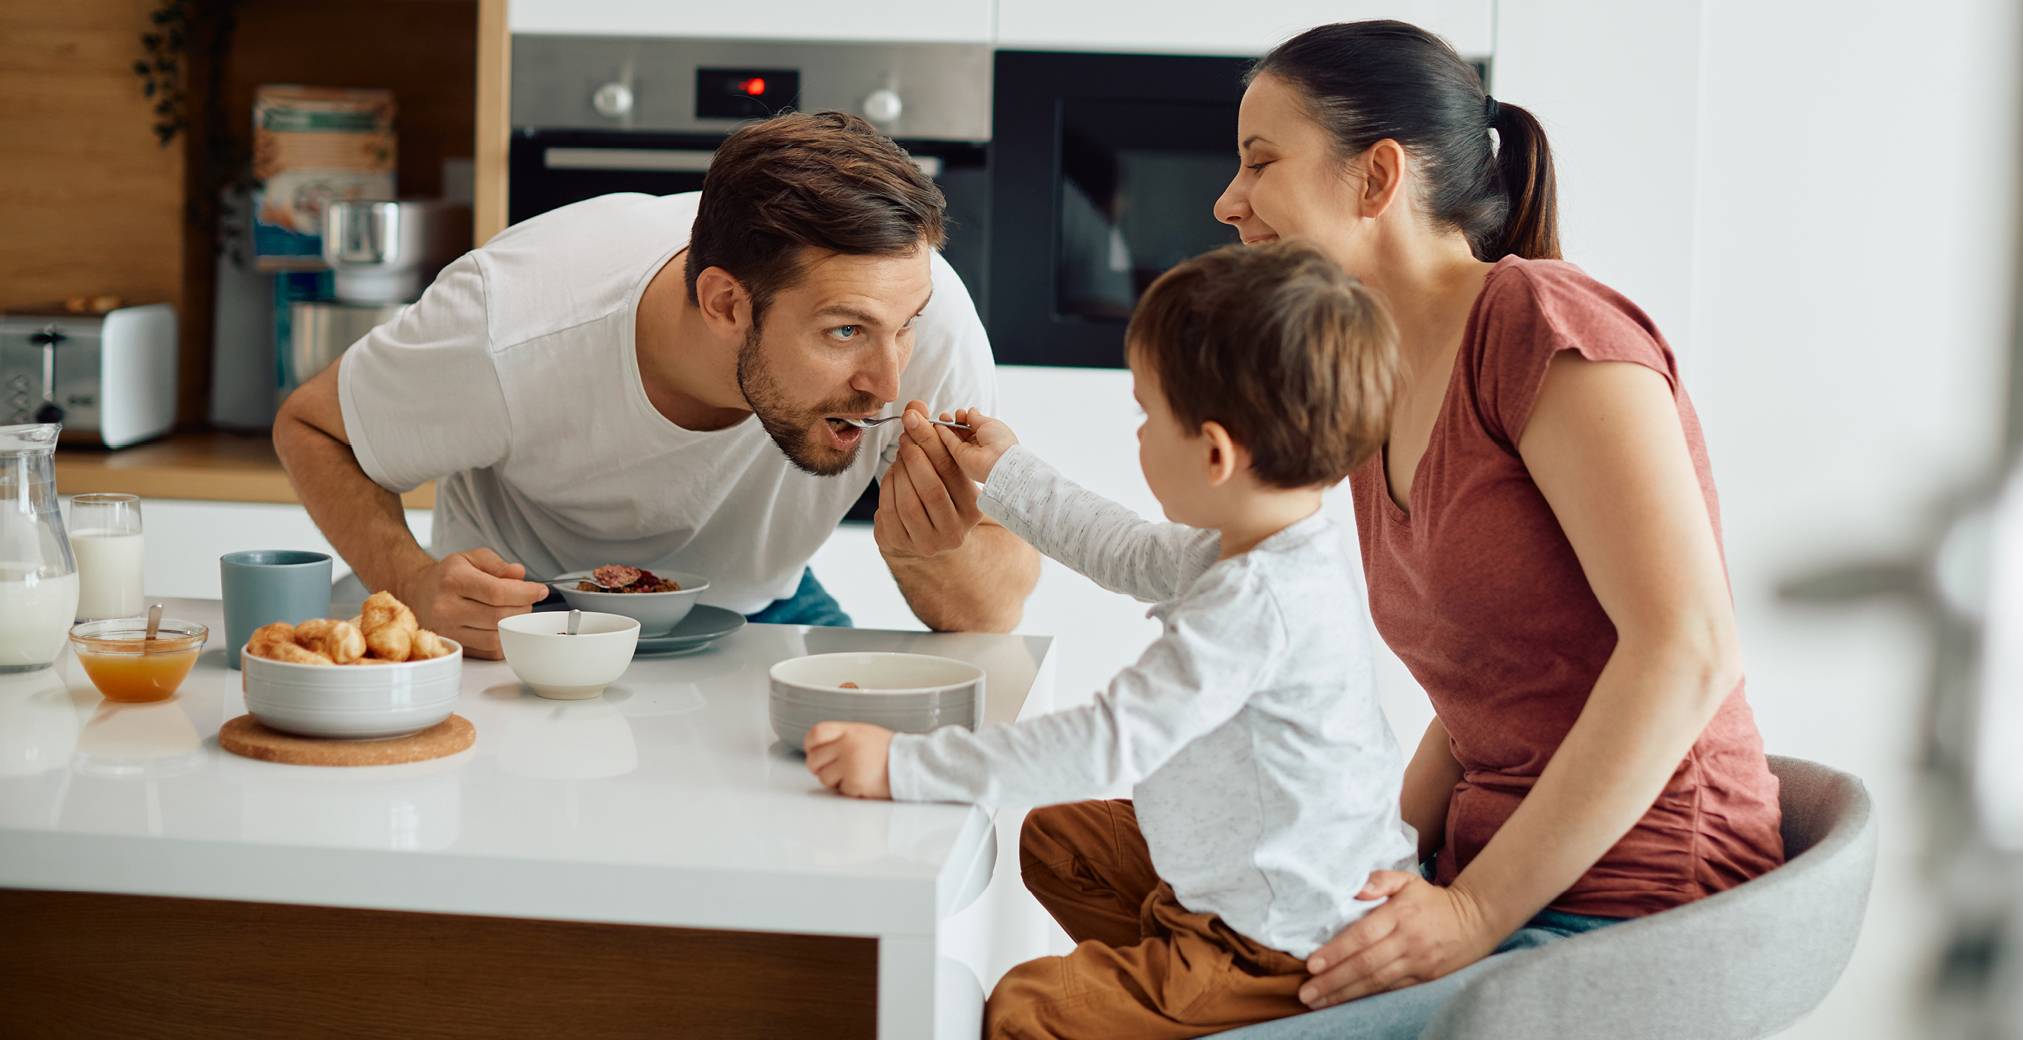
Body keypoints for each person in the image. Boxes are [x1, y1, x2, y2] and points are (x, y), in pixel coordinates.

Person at [1207, 20, 1784, 1021]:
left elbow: (1689, 649)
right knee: (1104, 858)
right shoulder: (1378, 378)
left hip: (1639, 905)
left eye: (1261, 162)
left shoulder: (1542, 325)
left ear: (1376, 177)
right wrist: (1368, 856)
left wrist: (1470, 914)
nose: (1228, 201)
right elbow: (1487, 691)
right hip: (1488, 881)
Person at [804, 241, 1413, 1038]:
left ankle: (1206, 999)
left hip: (1275, 943)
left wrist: (902, 767)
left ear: (1215, 453)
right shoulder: (1268, 542)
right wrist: (1007, 469)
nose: (1139, 433)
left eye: (1146, 415)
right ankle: (1158, 991)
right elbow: (1128, 551)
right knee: (1059, 843)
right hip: (1250, 876)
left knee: (1023, 1013)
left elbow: (1105, 742)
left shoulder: (1254, 604)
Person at [274, 112, 1038, 656]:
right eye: (844, 332)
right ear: (726, 304)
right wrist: (411, 580)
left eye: (904, 326)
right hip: (525, 619)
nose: (890, 381)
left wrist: (931, 551)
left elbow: (995, 612)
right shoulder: (509, 325)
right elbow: (311, 427)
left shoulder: (916, 307)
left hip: (759, 604)